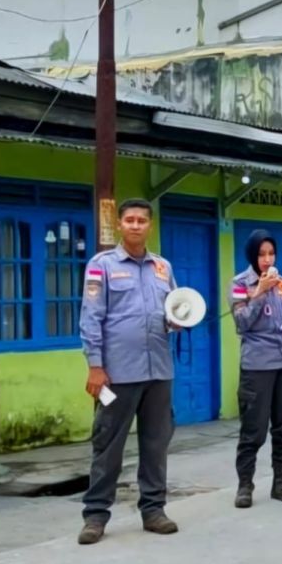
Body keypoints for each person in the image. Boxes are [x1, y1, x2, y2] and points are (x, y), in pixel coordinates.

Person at [78, 198, 180, 545]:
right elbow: (91, 318)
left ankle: (154, 510)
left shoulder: (162, 267)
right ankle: (95, 516)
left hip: (158, 370)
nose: (136, 225)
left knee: (156, 443)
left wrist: (178, 319)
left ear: (150, 226)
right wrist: (95, 365)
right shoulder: (102, 265)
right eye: (130, 220)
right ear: (120, 225)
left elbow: (174, 308)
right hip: (117, 373)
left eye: (142, 221)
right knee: (108, 446)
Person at [230, 230, 282, 509]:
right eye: (261, 254)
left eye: (271, 254)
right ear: (252, 255)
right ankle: (245, 486)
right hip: (258, 364)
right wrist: (260, 293)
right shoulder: (240, 284)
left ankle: (280, 483)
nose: (267, 259)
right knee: (254, 430)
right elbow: (242, 323)